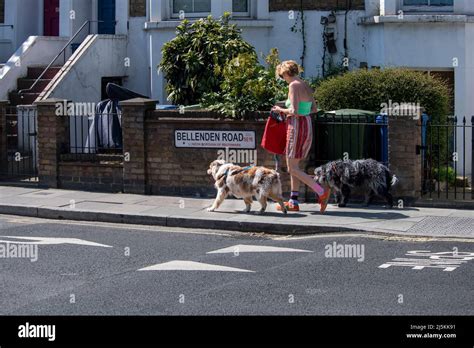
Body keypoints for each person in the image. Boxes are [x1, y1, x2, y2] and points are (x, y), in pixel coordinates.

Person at [272, 60, 331, 213]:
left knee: (292, 167)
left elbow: (294, 111)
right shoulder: (304, 84)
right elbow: (313, 109)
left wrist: (280, 110)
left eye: (282, 75)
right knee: (295, 167)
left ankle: (321, 191)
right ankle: (293, 201)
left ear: (286, 73)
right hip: (306, 124)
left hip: (296, 126)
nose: (282, 78)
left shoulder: (293, 85)